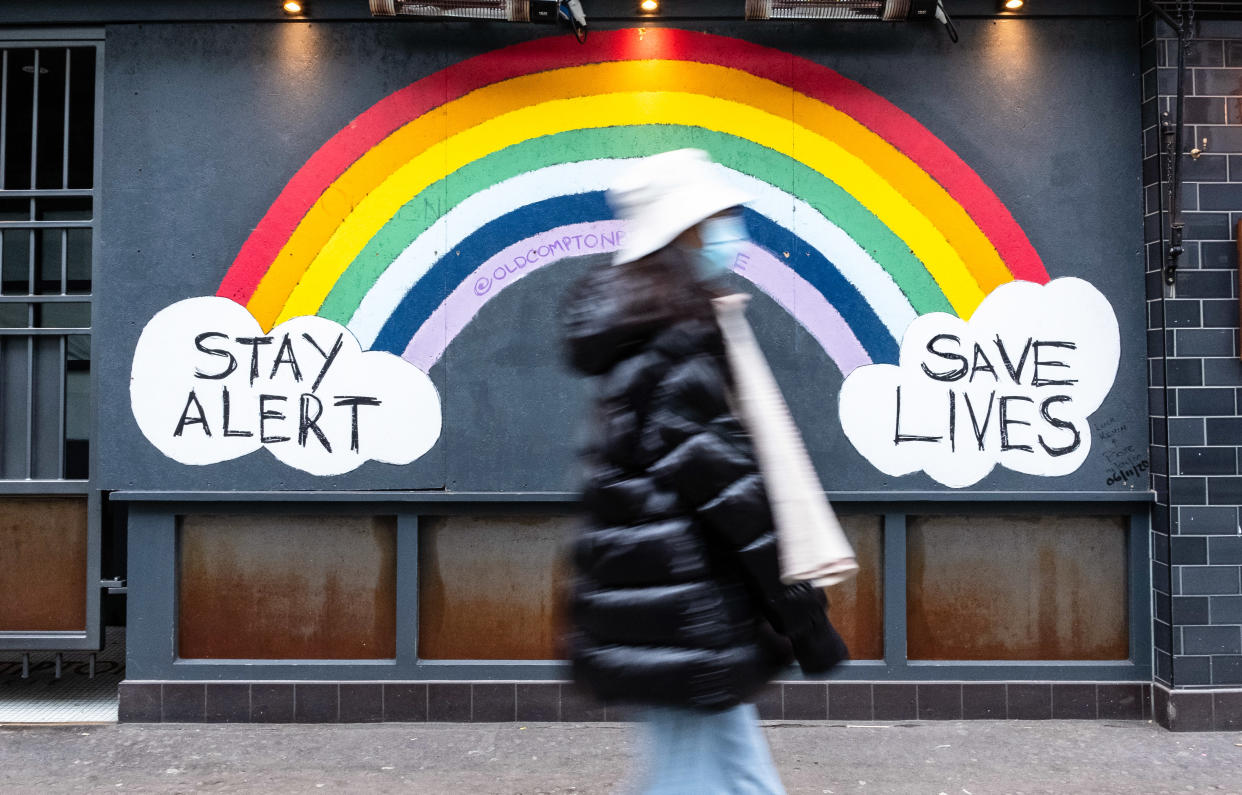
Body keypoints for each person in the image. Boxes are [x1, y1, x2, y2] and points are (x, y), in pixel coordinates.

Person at [560, 149, 848, 794]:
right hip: (684, 610)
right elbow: (728, 491)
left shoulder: (651, 337)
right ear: (682, 234)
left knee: (733, 772)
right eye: (718, 220)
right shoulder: (673, 345)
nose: (731, 235)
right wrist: (799, 605)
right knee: (690, 777)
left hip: (677, 605)